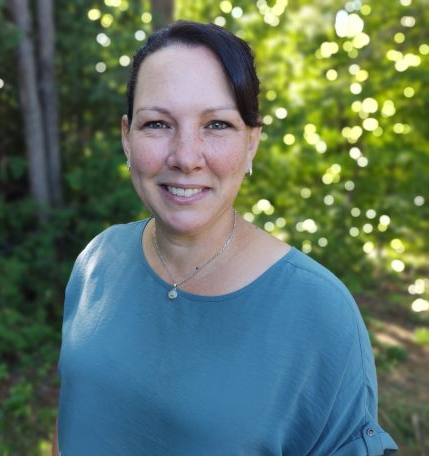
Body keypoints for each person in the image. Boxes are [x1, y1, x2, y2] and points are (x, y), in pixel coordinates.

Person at [53, 20, 398, 455]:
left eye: (216, 125)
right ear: (127, 137)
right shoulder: (97, 260)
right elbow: (75, 418)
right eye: (158, 124)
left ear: (252, 142)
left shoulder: (320, 313)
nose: (185, 157)